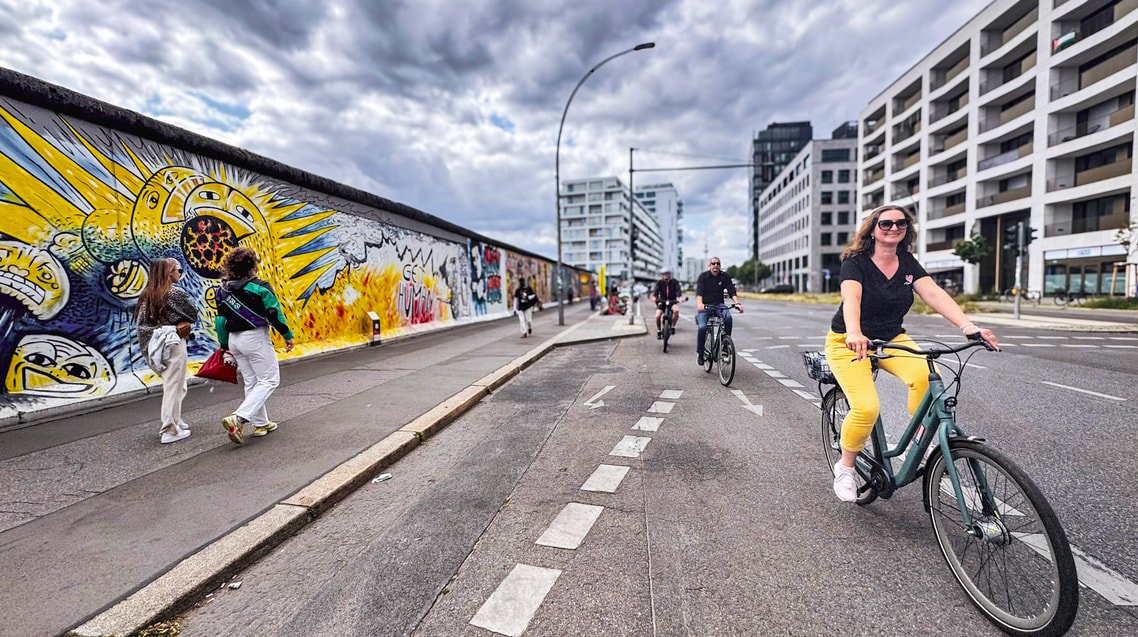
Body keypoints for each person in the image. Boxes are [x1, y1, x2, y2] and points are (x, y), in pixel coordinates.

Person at [825, 205, 999, 502]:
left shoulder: (906, 261)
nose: (894, 228)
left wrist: (968, 326)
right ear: (872, 229)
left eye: (901, 223)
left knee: (926, 378)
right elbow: (851, 297)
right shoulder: (856, 262)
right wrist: (854, 332)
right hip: (848, 341)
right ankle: (846, 467)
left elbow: (933, 293)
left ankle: (925, 442)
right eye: (886, 223)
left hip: (892, 339)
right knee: (866, 407)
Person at [215, 248, 295, 445]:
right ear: (252, 265)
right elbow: (274, 313)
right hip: (255, 338)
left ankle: (261, 424)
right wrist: (287, 335)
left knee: (252, 382)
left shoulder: (222, 289)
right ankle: (239, 418)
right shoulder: (260, 287)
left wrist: (224, 345)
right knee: (269, 380)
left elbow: (220, 320)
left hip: (234, 340)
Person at [136, 258, 198, 444]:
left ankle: (175, 419)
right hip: (173, 343)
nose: (180, 273)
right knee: (174, 385)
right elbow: (193, 312)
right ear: (169, 273)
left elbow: (142, 324)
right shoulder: (173, 293)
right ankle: (169, 430)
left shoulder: (147, 294)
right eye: (178, 270)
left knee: (178, 384)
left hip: (157, 344)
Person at [695, 256, 743, 365]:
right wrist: (700, 304)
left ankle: (725, 345)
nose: (715, 266)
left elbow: (731, 290)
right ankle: (700, 352)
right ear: (709, 266)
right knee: (702, 327)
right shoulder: (703, 277)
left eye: (718, 264)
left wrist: (737, 303)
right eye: (713, 264)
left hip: (719, 305)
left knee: (728, 318)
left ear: (720, 266)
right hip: (706, 306)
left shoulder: (724, 276)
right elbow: (699, 292)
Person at [651, 268, 682, 339]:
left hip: (672, 301)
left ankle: (673, 327)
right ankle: (659, 331)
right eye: (664, 274)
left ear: (669, 274)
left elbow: (678, 290)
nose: (665, 275)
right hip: (662, 301)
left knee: (676, 311)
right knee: (657, 316)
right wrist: (654, 297)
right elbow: (656, 291)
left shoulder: (675, 282)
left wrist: (679, 297)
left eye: (667, 274)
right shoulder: (659, 282)